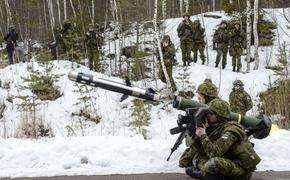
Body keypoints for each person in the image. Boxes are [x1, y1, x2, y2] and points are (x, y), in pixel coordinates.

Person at [185, 99, 261, 180]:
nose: (208, 115)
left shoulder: (231, 130)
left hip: (241, 169)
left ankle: (204, 174)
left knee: (214, 163)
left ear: (220, 115)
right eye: (208, 113)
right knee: (197, 158)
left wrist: (203, 136)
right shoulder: (216, 127)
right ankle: (207, 174)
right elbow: (201, 151)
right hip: (227, 161)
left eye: (211, 114)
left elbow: (214, 153)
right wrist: (196, 136)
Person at [179, 79, 218, 168]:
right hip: (202, 141)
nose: (199, 99)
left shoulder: (216, 109)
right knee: (183, 161)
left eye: (200, 96)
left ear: (208, 97)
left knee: (191, 162)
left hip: (212, 143)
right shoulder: (205, 108)